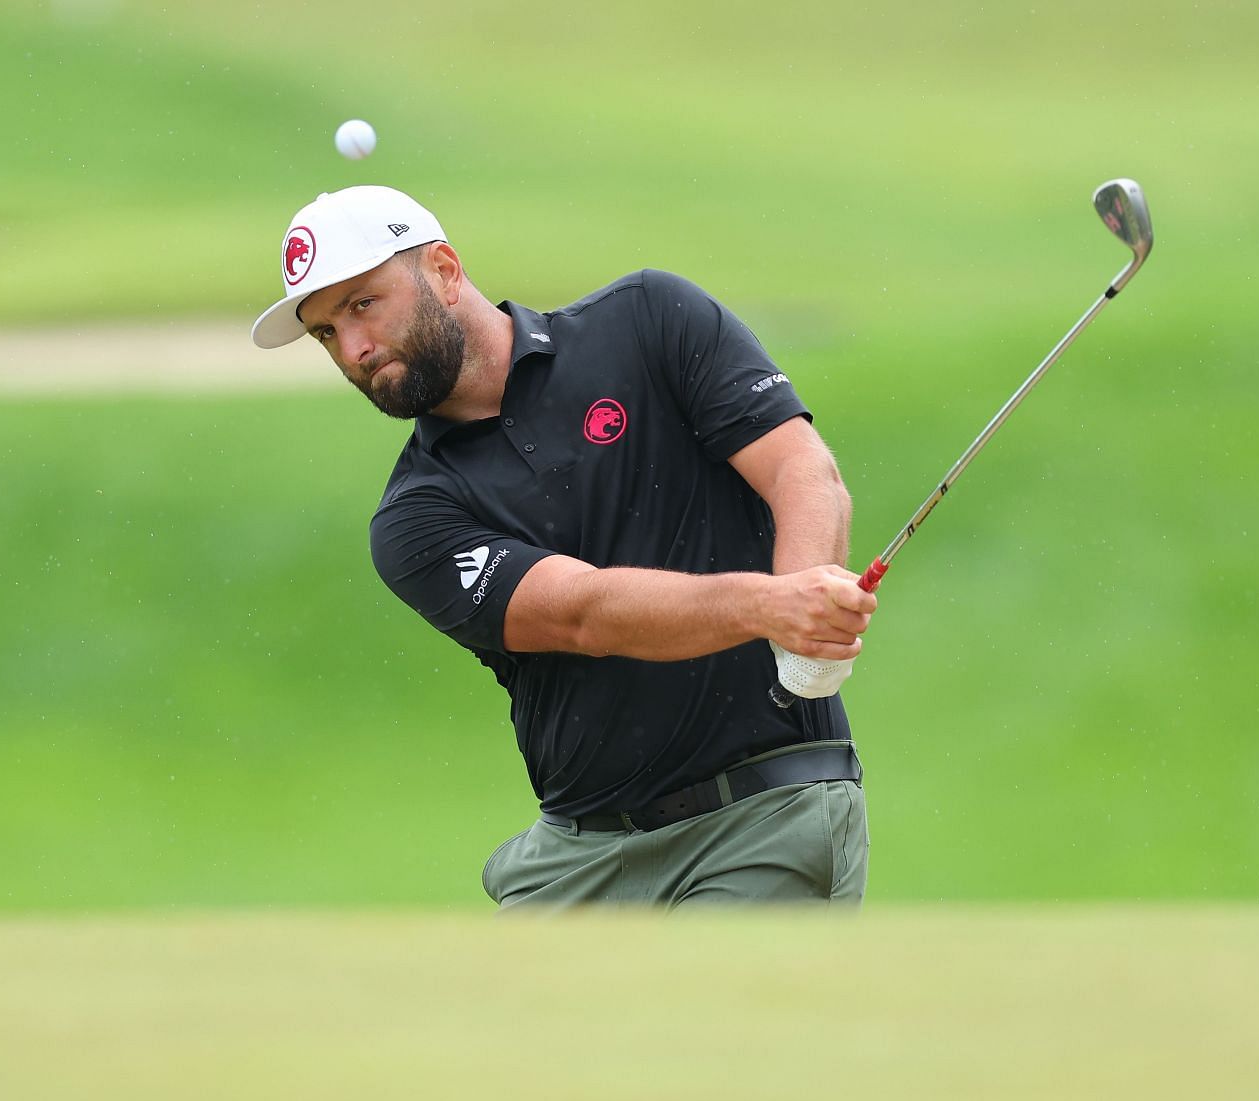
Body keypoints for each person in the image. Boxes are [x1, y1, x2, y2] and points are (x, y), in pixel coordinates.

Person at [251, 186, 876, 909]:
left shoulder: (648, 319)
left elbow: (804, 472)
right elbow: (584, 613)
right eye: (326, 333)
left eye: (363, 304)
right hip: (578, 858)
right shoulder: (415, 517)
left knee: (699, 1021)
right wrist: (772, 606)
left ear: (446, 271)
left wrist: (806, 638)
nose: (353, 350)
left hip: (765, 815)